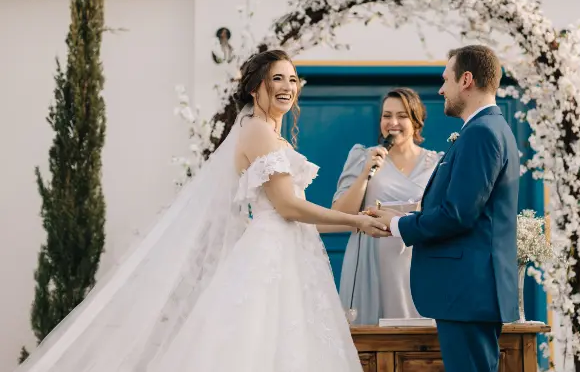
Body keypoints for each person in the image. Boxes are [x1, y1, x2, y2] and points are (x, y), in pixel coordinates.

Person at [16, 50, 388, 372]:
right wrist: (354, 220)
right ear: (254, 87)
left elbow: (296, 218)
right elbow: (288, 207)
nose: (288, 86)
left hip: (291, 253)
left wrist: (352, 220)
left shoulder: (269, 134)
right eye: (277, 78)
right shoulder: (257, 131)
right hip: (270, 260)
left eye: (293, 79)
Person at [368, 45, 520, 372]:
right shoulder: (487, 129)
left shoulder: (481, 133)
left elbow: (458, 214)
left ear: (466, 80)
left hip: (467, 292)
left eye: (446, 79)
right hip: (467, 293)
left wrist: (398, 225)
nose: (441, 89)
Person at [332, 88, 442, 324]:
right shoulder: (363, 156)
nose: (393, 122)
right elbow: (341, 214)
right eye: (386, 115)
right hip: (370, 260)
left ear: (416, 120)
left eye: (402, 116)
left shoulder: (437, 163)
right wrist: (365, 174)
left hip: (417, 260)